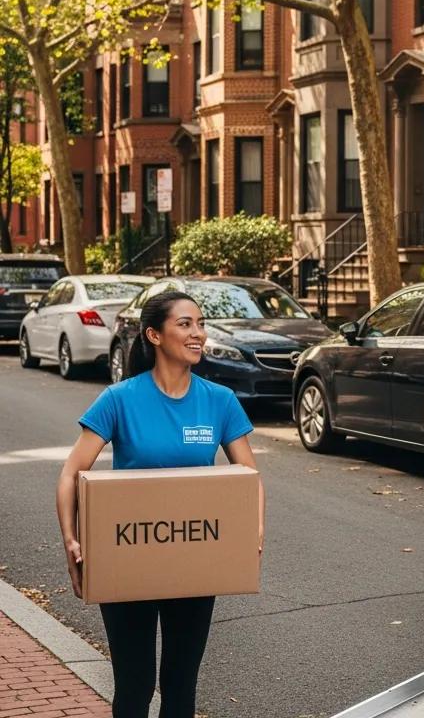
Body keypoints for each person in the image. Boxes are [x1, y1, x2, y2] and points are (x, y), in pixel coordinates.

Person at [56, 290, 264, 718]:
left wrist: (252, 531)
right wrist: (72, 540)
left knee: (180, 685)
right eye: (185, 324)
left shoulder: (219, 401)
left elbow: (249, 478)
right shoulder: (120, 399)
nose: (198, 334)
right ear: (154, 334)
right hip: (127, 557)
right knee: (134, 687)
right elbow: (71, 472)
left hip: (194, 560)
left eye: (200, 324)